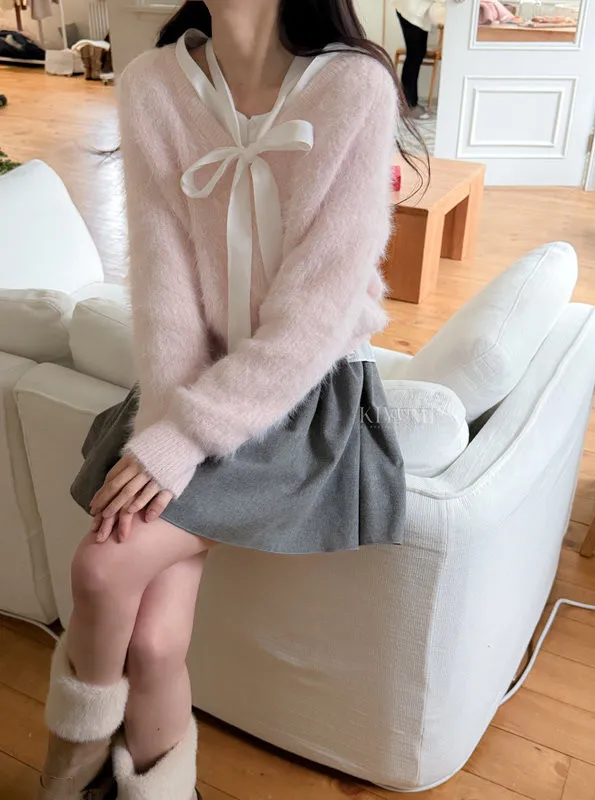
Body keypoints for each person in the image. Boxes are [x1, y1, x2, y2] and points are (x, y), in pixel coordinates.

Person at [37, 1, 424, 797]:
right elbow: (164, 292)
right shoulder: (153, 84)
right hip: (187, 387)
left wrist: (184, 441)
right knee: (152, 645)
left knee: (103, 571)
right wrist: (169, 429)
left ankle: (65, 778)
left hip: (304, 398)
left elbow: (318, 315)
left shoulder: (353, 86)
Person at [393, 0, 446, 119]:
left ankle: (409, 103)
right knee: (415, 54)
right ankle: (408, 105)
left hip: (413, 9)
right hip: (411, 9)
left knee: (417, 53)